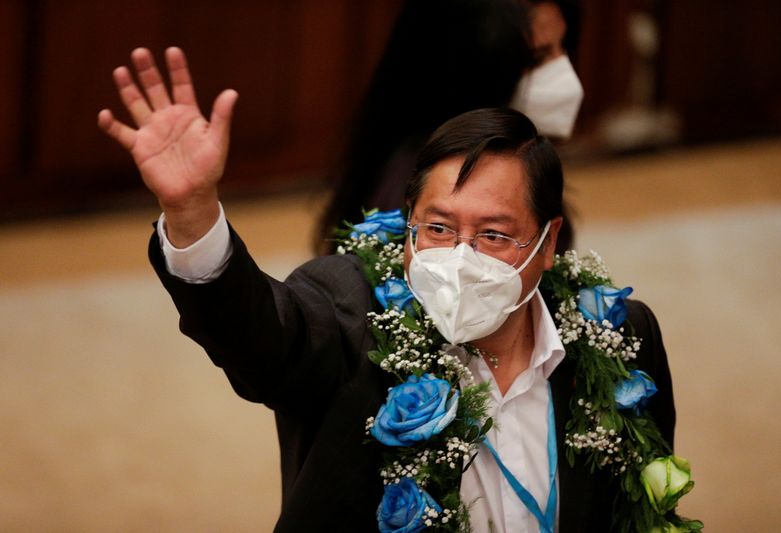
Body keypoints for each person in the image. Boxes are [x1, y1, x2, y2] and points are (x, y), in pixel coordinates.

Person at [98, 48, 678, 532]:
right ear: (408, 225)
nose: (460, 257)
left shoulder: (623, 339)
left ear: (548, 243)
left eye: (494, 234)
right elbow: (261, 339)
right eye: (439, 228)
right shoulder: (350, 312)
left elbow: (639, 505)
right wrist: (193, 210)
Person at [315, 0, 584, 256]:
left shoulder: (516, 164)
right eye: (537, 59)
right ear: (474, 69)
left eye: (565, 49)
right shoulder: (414, 190)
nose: (563, 72)